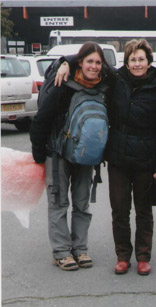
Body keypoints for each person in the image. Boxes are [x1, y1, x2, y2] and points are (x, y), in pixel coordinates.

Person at [56, 39, 156, 276]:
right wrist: (65, 63)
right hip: (118, 158)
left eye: (141, 59)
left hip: (146, 159)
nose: (137, 63)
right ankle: (122, 256)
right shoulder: (116, 81)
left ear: (149, 61)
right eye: (133, 59)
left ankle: (142, 256)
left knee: (143, 210)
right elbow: (92, 59)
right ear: (126, 61)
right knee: (119, 210)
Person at [30, 42, 112, 271]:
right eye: (89, 61)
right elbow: (40, 121)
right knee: (59, 203)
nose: (94, 67)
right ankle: (61, 251)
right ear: (80, 62)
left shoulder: (102, 86)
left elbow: (114, 72)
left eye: (98, 62)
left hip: (86, 155)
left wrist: (67, 61)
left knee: (82, 203)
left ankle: (80, 248)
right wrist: (39, 157)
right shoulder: (62, 84)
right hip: (57, 154)